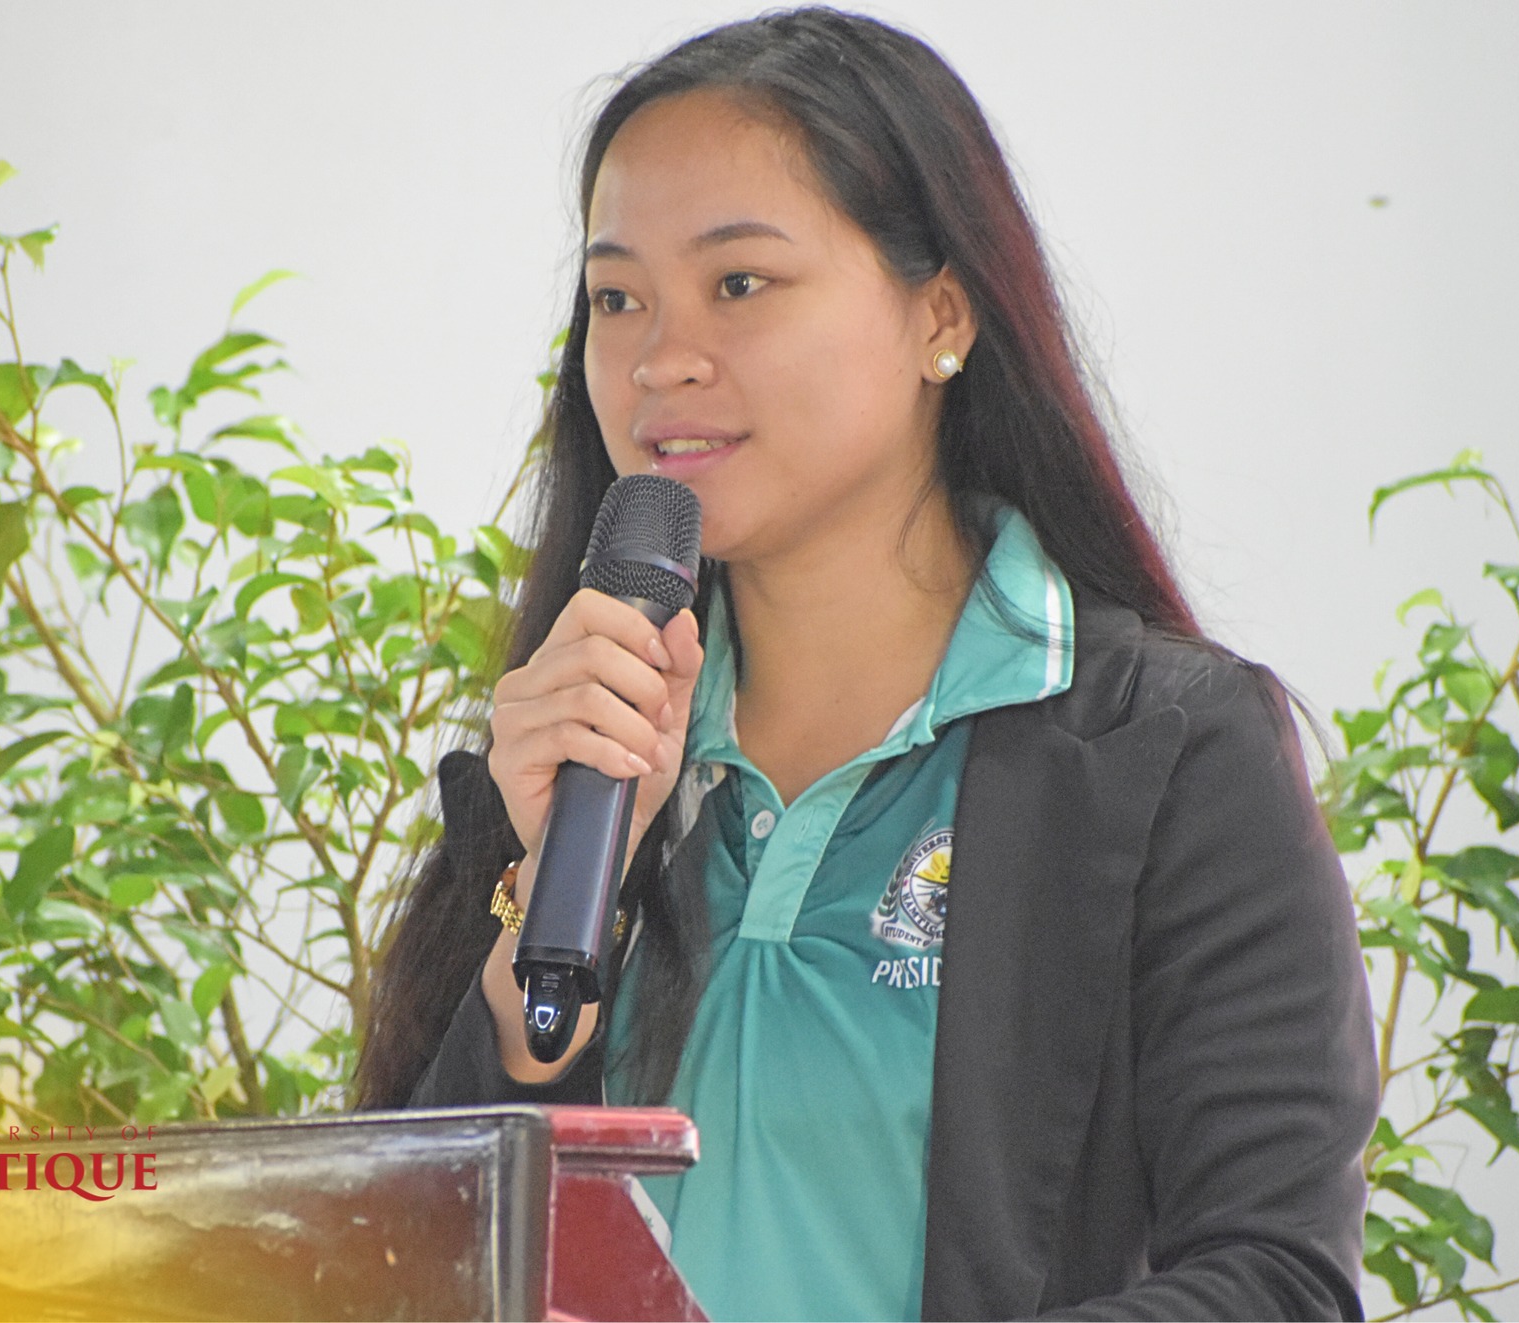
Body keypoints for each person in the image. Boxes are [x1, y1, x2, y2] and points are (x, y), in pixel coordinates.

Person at [355, 9, 1379, 1320]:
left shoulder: (1167, 752)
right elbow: (393, 1271)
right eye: (617, 298)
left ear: (941, 315)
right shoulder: (580, 761)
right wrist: (548, 915)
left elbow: (1278, 1283)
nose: (661, 358)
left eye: (740, 283)